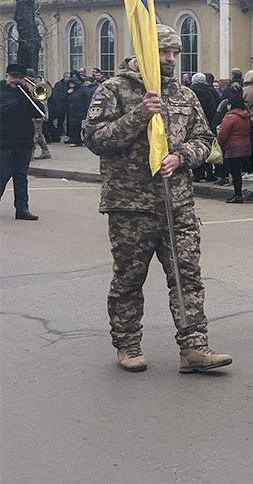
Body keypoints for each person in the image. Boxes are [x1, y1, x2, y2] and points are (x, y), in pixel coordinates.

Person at [83, 25, 232, 373]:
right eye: (165, 52)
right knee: (129, 279)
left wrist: (181, 157)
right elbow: (96, 139)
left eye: (176, 53)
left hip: (177, 202)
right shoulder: (114, 90)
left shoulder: (183, 94)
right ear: (147, 51)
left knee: (187, 276)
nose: (171, 59)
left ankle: (193, 348)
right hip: (130, 205)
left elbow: (205, 140)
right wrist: (140, 114)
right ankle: (128, 344)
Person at [1, 64, 43, 220]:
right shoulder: (2, 91)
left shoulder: (26, 94)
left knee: (21, 177)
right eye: (14, 77)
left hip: (24, 142)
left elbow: (39, 113)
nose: (16, 81)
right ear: (7, 76)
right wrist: (18, 101)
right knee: (2, 176)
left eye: (20, 78)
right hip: (4, 143)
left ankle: (22, 209)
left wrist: (32, 97)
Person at [217, 93, 252, 204]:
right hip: (245, 146)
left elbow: (223, 134)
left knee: (235, 172)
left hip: (232, 148)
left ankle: (238, 195)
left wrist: (219, 138)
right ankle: (238, 194)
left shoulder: (230, 117)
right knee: (238, 172)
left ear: (231, 104)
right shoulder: (246, 115)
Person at [64, 76, 88, 145]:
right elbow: (64, 99)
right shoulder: (70, 90)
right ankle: (77, 140)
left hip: (81, 110)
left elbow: (87, 99)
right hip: (73, 111)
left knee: (82, 127)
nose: (70, 85)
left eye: (72, 83)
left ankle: (85, 140)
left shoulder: (83, 89)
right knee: (74, 127)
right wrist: (67, 93)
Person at [50, 72, 70, 141]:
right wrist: (67, 93)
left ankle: (66, 131)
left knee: (67, 119)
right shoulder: (59, 84)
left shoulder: (70, 84)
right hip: (61, 104)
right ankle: (59, 131)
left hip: (68, 104)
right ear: (64, 77)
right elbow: (58, 96)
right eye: (68, 77)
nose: (69, 79)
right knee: (60, 119)